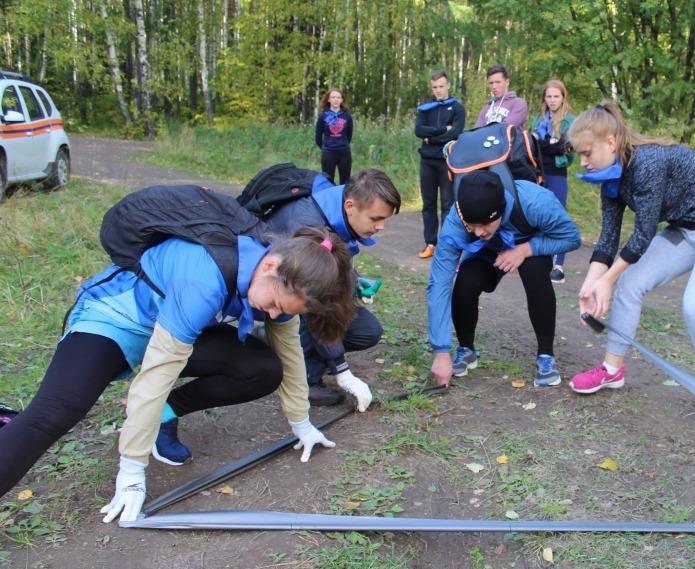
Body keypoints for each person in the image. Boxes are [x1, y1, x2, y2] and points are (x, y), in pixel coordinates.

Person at [0, 223, 354, 524]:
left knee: (262, 368)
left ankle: (164, 415)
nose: (275, 314)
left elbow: (289, 354)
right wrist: (132, 470)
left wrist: (301, 423)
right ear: (270, 265)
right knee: (56, 411)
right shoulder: (203, 280)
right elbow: (157, 373)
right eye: (275, 305)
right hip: (118, 319)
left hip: (180, 327)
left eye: (284, 312)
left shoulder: (280, 283)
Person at [566, 101, 695, 424]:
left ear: (610, 143)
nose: (583, 162)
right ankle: (612, 370)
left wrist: (606, 280)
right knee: (630, 284)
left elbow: (644, 233)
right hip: (685, 229)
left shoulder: (647, 163)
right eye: (579, 155)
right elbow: (609, 237)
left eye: (586, 153)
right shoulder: (611, 176)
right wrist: (591, 285)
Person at [427, 170, 580, 387]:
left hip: (528, 244)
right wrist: (441, 350)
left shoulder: (536, 202)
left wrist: (526, 249)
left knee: (535, 274)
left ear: (499, 211)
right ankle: (466, 349)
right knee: (465, 283)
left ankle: (546, 355)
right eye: (472, 226)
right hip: (488, 251)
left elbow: (571, 238)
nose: (478, 232)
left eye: (484, 225)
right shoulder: (457, 219)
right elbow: (439, 282)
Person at [262, 169, 401, 408]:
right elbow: (313, 302)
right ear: (350, 205)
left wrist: (354, 280)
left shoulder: (334, 208)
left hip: (299, 293)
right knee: (311, 309)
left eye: (384, 219)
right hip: (273, 297)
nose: (381, 227)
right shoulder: (309, 227)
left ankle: (278, 344)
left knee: (366, 330)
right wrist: (342, 371)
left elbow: (336, 261)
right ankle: (304, 381)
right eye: (376, 219)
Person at [414, 69, 466, 259]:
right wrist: (442, 129)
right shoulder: (425, 109)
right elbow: (419, 130)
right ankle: (430, 243)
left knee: (447, 204)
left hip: (446, 162)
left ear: (448, 86)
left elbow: (456, 134)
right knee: (428, 204)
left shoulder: (457, 108)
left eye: (441, 86)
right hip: (426, 161)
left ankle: (446, 244)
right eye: (435, 87)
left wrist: (431, 137)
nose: (438, 90)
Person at [529, 79, 576, 283]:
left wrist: (545, 143)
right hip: (538, 170)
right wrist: (551, 144)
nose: (552, 100)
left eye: (556, 96)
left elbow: (566, 148)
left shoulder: (570, 121)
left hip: (557, 172)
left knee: (558, 215)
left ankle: (559, 265)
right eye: (548, 96)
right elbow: (532, 144)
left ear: (563, 97)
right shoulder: (538, 119)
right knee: (538, 213)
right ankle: (541, 259)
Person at [315, 88, 354, 185]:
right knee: (327, 182)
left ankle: (343, 200)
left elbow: (349, 135)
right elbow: (318, 138)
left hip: (344, 153)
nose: (336, 100)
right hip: (328, 152)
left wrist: (342, 144)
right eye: (333, 97)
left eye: (338, 97)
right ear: (329, 100)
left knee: (345, 183)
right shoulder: (322, 117)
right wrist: (326, 148)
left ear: (341, 100)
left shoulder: (347, 116)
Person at [474, 65, 528, 130]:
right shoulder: (487, 106)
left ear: (507, 82)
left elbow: (506, 128)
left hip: (506, 139)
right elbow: (477, 130)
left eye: (498, 82)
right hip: (485, 139)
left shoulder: (519, 103)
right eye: (491, 83)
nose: (494, 86)